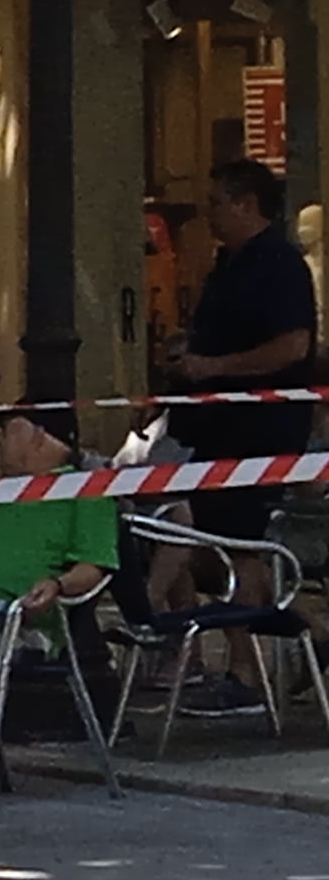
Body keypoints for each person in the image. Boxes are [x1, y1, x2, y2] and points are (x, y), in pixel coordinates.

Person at [158, 158, 315, 714]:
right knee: (204, 537)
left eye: (217, 205)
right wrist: (190, 351)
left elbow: (292, 347)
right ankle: (257, 647)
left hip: (259, 435)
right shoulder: (229, 263)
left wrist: (216, 368)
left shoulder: (279, 264)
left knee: (239, 545)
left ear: (247, 204)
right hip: (214, 432)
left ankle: (246, 673)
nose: (211, 216)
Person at [0, 410, 116, 740]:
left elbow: (93, 567)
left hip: (21, 623)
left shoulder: (86, 490)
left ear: (40, 435)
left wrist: (57, 585)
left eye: (9, 432)